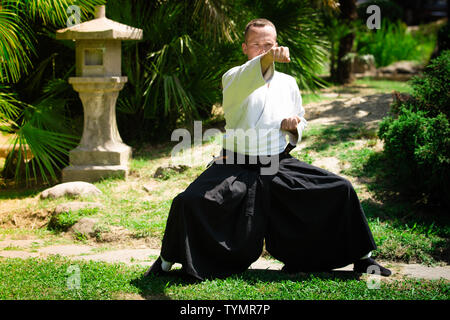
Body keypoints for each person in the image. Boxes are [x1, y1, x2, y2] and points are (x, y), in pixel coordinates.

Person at [145, 18, 391, 280]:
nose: (264, 50)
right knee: (188, 201)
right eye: (256, 45)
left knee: (340, 189)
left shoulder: (288, 82)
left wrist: (294, 126)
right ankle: (166, 261)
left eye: (269, 44)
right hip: (235, 163)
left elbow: (301, 117)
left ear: (277, 44)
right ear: (244, 48)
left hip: (277, 162)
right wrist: (269, 58)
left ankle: (363, 258)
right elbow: (254, 71)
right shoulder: (233, 78)